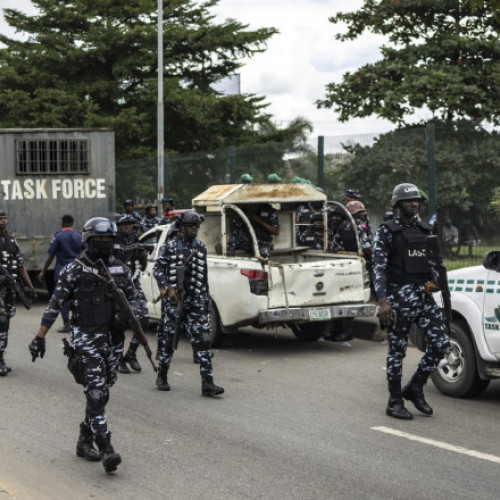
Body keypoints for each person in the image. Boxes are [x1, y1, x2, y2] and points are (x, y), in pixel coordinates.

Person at [29, 217, 136, 473]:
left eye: (109, 239)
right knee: (96, 394)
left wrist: (129, 316)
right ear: (88, 241)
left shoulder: (121, 269)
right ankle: (106, 447)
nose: (105, 244)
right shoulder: (74, 270)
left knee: (103, 393)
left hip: (113, 341)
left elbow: (137, 301)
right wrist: (39, 337)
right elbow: (54, 304)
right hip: (86, 339)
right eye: (100, 239)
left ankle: (84, 439)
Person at [372, 183, 450, 420]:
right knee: (397, 352)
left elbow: (433, 262)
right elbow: (378, 268)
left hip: (424, 297)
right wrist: (383, 303)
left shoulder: (426, 230)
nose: (414, 204)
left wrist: (436, 280)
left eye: (416, 200)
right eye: (408, 201)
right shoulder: (387, 231)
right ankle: (394, 402)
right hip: (397, 299)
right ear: (397, 205)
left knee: (440, 343)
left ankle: (415, 387)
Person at [153, 210, 224, 397]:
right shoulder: (169, 247)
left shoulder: (200, 247)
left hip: (197, 302)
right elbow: (158, 268)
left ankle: (207, 384)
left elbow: (204, 276)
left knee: (203, 341)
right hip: (175, 302)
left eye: (196, 226)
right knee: (168, 341)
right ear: (182, 227)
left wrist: (205, 299)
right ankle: (162, 375)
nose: (194, 229)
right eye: (190, 226)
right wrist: (167, 287)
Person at [0, 209, 35, 376]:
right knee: (1, 321)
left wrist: (30, 286)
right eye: (0, 218)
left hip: (9, 290)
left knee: (5, 324)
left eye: (4, 218)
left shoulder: (12, 242)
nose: (2, 221)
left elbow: (20, 265)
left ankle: (0, 356)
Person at [114, 215, 149, 374]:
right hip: (116, 285)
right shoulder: (113, 240)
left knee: (144, 318)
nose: (127, 227)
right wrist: (131, 249)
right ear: (118, 226)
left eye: (129, 224)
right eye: (123, 224)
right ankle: (118, 357)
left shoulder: (135, 239)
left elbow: (142, 266)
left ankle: (131, 353)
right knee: (119, 322)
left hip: (133, 283)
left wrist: (142, 256)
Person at [38, 215, 82, 333]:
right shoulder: (79, 236)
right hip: (78, 271)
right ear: (72, 223)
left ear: (62, 223)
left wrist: (43, 270)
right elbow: (86, 251)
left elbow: (51, 255)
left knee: (63, 299)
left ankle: (66, 324)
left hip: (62, 273)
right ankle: (77, 322)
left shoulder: (58, 236)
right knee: (78, 297)